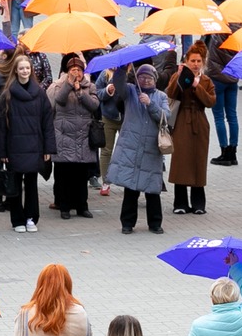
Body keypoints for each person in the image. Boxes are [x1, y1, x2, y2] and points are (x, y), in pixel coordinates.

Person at [0, 53, 53, 232]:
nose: (25, 71)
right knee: (14, 186)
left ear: (31, 70)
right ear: (15, 71)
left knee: (31, 185)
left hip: (34, 146)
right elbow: (1, 127)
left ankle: (31, 217)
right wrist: (2, 153)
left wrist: (48, 148)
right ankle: (17, 220)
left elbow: (47, 121)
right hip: (14, 147)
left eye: (27, 68)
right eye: (21, 68)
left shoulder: (40, 93)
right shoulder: (7, 95)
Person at [105, 62, 169, 234]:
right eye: (142, 77)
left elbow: (166, 118)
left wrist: (150, 104)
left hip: (151, 149)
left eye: (149, 78)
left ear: (155, 80)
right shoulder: (131, 91)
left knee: (152, 189)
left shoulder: (161, 96)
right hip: (131, 147)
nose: (145, 81)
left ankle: (155, 223)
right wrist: (121, 70)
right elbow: (118, 85)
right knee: (131, 188)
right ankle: (127, 223)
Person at [48, 57, 101, 220]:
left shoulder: (90, 86)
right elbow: (59, 100)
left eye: (79, 70)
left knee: (81, 174)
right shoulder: (59, 85)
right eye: (73, 70)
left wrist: (79, 91)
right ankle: (64, 207)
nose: (76, 73)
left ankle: (82, 206)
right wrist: (69, 84)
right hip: (64, 134)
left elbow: (94, 105)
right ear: (67, 71)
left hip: (83, 135)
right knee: (64, 173)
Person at [167, 45, 216, 215]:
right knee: (181, 160)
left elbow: (210, 102)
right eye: (192, 61)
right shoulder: (178, 75)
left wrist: (197, 85)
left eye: (198, 61)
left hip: (200, 123)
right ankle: (180, 202)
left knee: (198, 161)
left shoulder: (206, 80)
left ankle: (198, 203)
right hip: (181, 121)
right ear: (186, 61)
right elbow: (171, 94)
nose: (195, 64)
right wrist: (179, 77)